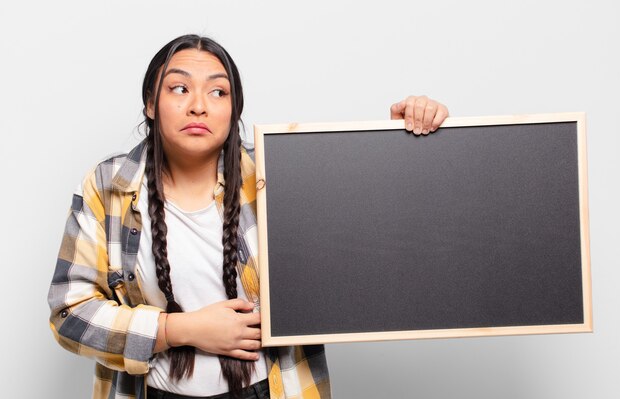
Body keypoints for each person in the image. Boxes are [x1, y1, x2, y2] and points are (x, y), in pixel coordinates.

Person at [47, 34, 449, 399]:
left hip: (269, 388)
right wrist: (179, 330)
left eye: (218, 92)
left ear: (234, 108)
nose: (199, 106)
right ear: (151, 104)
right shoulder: (108, 185)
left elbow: (367, 243)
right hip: (153, 391)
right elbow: (69, 314)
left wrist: (402, 143)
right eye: (180, 88)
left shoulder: (278, 174)